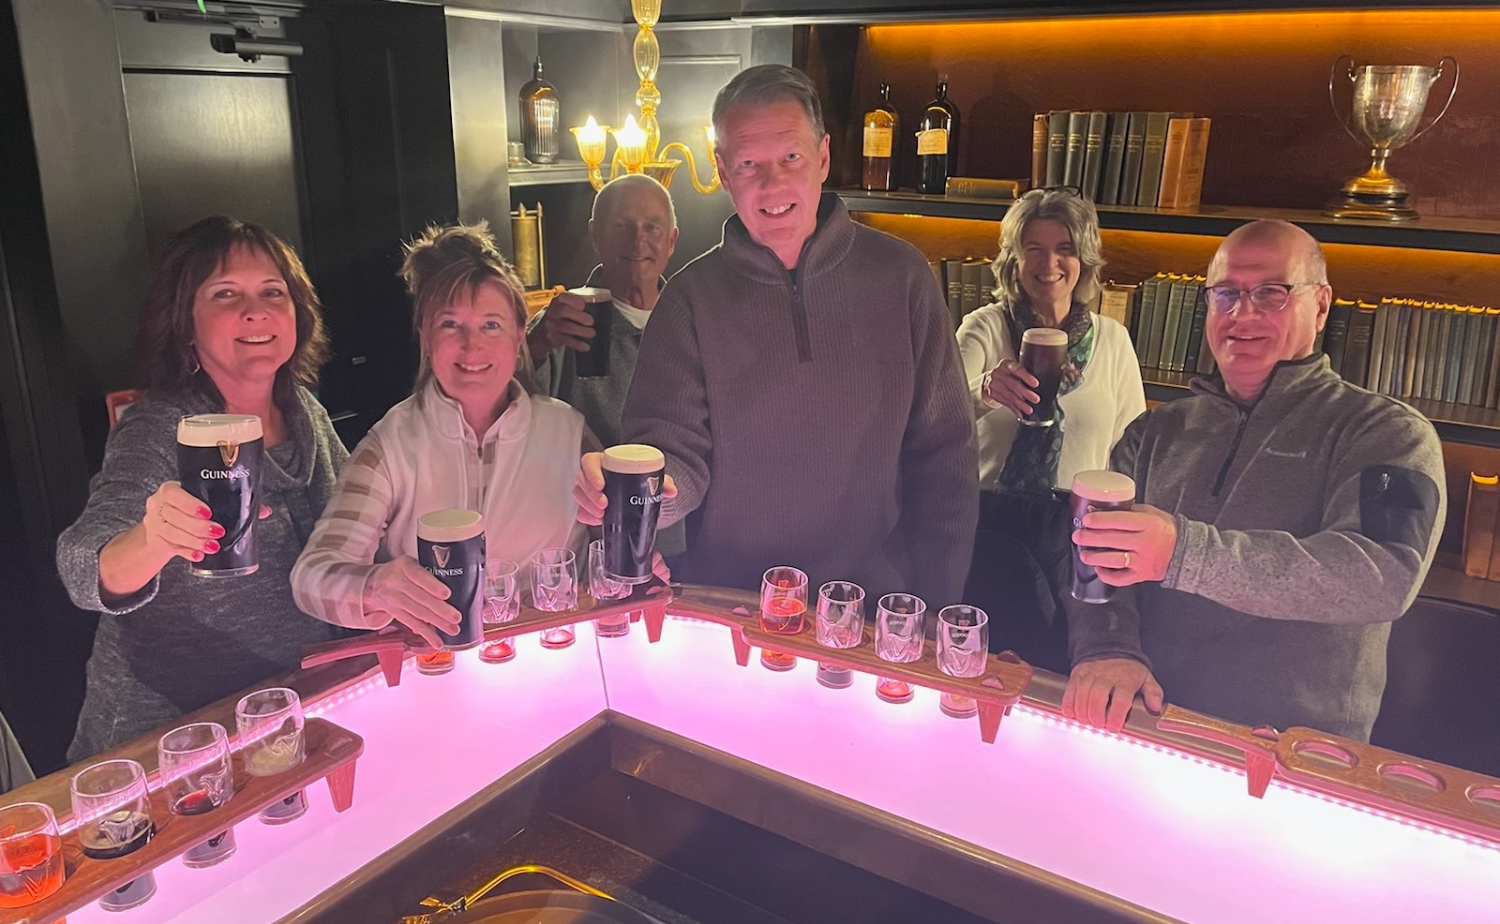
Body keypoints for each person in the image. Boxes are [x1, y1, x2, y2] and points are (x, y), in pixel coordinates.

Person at [575, 64, 977, 609]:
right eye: (748, 163)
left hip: (876, 610)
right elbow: (675, 458)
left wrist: (934, 607)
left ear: (824, 157)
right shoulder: (690, 299)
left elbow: (945, 457)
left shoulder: (902, 275)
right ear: (721, 170)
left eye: (790, 157)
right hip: (737, 606)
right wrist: (641, 493)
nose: (772, 184)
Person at [1062, 219, 1444, 742]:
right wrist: (1108, 651)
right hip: (1149, 727)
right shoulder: (1153, 431)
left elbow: (1380, 577)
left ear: (1322, 304)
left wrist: (1183, 554)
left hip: (1297, 754)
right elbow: (1093, 561)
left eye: (1271, 292)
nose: (1243, 314)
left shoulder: (1391, 433)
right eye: (1226, 295)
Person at [56, 216, 347, 759]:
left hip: (280, 716)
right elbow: (81, 566)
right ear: (185, 323)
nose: (254, 310)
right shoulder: (163, 426)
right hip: (170, 745)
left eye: (272, 292)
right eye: (225, 293)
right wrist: (154, 539)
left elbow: (358, 527)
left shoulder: (305, 413)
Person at [291, 222, 596, 646]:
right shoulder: (391, 444)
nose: (472, 346)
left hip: (552, 660)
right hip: (434, 670)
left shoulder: (570, 433)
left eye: (491, 325)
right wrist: (373, 586)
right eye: (451, 325)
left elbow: (613, 543)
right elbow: (311, 576)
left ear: (518, 337)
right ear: (426, 339)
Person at [957, 188, 1144, 670]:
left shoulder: (1115, 340)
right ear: (1013, 260)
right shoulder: (984, 327)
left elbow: (1132, 449)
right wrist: (985, 390)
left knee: (1063, 669)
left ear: (1083, 259)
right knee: (987, 666)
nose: (1049, 264)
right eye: (1034, 249)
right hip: (990, 526)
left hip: (1080, 532)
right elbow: (930, 417)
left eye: (1064, 248)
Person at [527, 174, 678, 449]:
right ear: (596, 235)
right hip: (588, 488)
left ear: (671, 241)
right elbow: (505, 411)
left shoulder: (691, 321)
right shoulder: (562, 324)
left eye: (652, 227)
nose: (638, 240)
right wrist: (535, 346)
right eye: (622, 226)